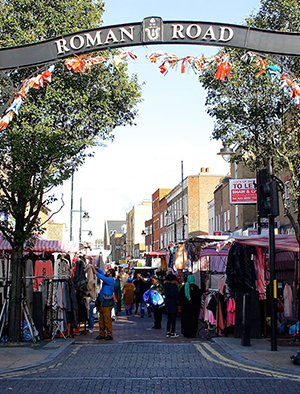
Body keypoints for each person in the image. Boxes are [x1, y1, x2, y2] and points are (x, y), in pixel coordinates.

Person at [93, 266, 115, 341]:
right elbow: (102, 273)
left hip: (107, 301)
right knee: (101, 319)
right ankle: (102, 333)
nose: (106, 272)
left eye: (108, 272)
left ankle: (109, 334)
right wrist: (97, 268)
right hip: (103, 301)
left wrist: (95, 272)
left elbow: (102, 277)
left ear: (111, 274)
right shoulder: (108, 279)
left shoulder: (110, 280)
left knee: (107, 319)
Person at [163, 272, 179, 338]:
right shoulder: (174, 286)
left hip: (167, 302)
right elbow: (177, 295)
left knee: (169, 319)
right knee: (173, 319)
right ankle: (173, 332)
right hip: (173, 302)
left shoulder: (165, 286)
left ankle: (168, 332)